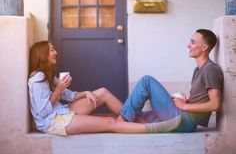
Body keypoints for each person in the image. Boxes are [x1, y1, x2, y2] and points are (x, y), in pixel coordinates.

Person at [28, 41, 181, 136]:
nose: (55, 52)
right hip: (52, 122)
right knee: (110, 122)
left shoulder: (49, 74)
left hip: (61, 111)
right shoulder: (37, 79)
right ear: (43, 54)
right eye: (52, 50)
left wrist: (86, 93)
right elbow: (43, 112)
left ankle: (137, 120)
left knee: (101, 92)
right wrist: (58, 89)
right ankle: (157, 128)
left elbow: (68, 96)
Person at [117, 29, 224, 133]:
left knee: (147, 81)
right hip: (183, 114)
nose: (188, 45)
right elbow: (200, 99)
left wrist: (186, 106)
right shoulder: (198, 70)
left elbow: (215, 104)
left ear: (204, 47)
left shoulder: (210, 69)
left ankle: (121, 121)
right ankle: (123, 119)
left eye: (193, 42)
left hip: (185, 121)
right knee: (140, 114)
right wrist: (184, 101)